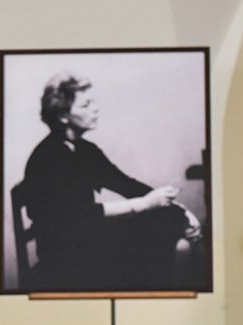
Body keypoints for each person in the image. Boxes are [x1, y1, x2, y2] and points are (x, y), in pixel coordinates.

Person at [18, 71, 201, 291]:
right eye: (86, 105)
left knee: (164, 220)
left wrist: (180, 210)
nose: (95, 109)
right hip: (62, 255)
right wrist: (143, 204)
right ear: (63, 115)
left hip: (87, 238)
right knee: (151, 234)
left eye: (93, 102)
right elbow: (79, 216)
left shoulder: (86, 150)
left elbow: (126, 184)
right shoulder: (47, 158)